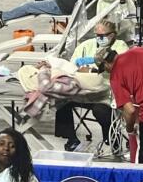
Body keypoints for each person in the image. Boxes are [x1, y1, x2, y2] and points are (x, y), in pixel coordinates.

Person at [55, 21, 128, 151]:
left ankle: (112, 138)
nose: (99, 38)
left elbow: (121, 66)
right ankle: (72, 139)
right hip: (83, 89)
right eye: (97, 35)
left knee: (101, 111)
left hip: (105, 93)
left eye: (102, 35)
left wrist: (95, 63)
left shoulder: (120, 46)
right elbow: (72, 66)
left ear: (112, 35)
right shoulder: (85, 46)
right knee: (60, 100)